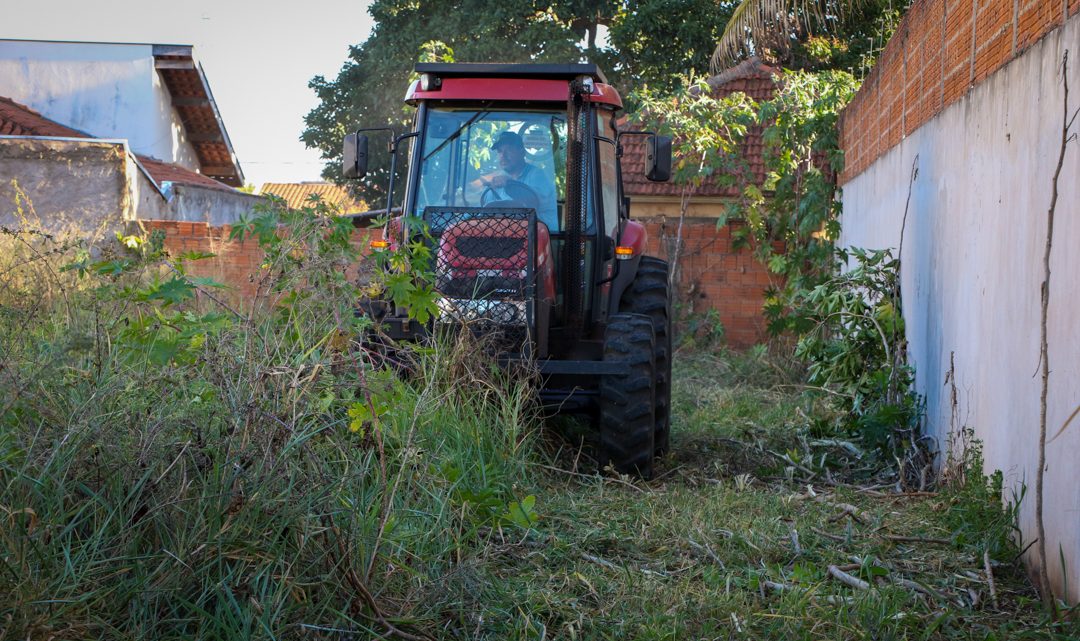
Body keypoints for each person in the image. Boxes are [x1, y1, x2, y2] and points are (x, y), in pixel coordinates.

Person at [471, 131, 558, 230]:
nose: (503, 156)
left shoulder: (537, 175)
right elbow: (482, 210)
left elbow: (532, 203)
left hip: (541, 236)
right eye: (500, 151)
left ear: (522, 152)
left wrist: (510, 184)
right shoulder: (499, 181)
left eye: (509, 150)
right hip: (508, 237)